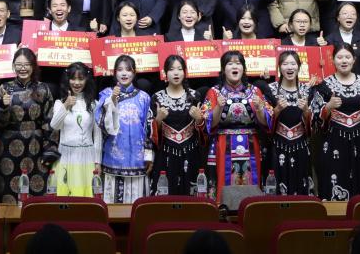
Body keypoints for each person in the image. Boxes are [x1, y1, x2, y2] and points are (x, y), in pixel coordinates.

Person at [310, 43, 360, 200]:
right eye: (339, 57)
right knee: (334, 180)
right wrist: (328, 107)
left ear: (354, 60)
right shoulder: (324, 85)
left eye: (348, 57)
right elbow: (314, 119)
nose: (344, 60)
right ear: (333, 60)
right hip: (334, 141)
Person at [0, 48, 56, 203]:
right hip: (8, 146)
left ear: (33, 66)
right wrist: (3, 106)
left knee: (36, 192)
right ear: (13, 66)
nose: (22, 68)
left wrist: (50, 150)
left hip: (36, 146)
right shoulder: (5, 88)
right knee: (8, 190)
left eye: (26, 64)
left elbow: (49, 122)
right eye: (18, 64)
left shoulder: (43, 89)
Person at [204, 51, 270, 198]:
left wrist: (260, 108)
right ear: (223, 69)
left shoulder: (255, 91)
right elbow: (209, 125)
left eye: (238, 63)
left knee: (252, 185)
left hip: (251, 144)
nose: (234, 66)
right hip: (223, 144)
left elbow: (266, 123)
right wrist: (218, 107)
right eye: (230, 63)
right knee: (224, 187)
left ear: (244, 69)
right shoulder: (214, 92)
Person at [95, 54, 153, 203]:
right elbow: (101, 124)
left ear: (134, 72)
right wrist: (112, 99)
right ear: (115, 73)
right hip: (113, 158)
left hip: (138, 160)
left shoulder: (144, 97)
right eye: (120, 69)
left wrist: (148, 156)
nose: (124, 73)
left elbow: (148, 128)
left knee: (136, 205)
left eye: (128, 69)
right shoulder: (106, 94)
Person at [150, 55, 206, 195]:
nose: (176, 73)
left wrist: (199, 120)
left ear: (185, 72)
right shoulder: (157, 97)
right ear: (165, 73)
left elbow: (204, 131)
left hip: (191, 153)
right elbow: (150, 133)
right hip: (166, 154)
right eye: (171, 69)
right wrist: (158, 120)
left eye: (180, 69)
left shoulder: (195, 96)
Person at [265, 49, 314, 195]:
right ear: (279, 67)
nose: (290, 67)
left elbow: (315, 124)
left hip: (301, 145)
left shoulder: (308, 90)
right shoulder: (271, 90)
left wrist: (306, 111)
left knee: (301, 186)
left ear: (299, 66)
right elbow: (264, 122)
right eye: (285, 64)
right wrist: (277, 110)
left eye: (293, 64)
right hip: (277, 145)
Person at [50, 62, 102, 196]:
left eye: (81, 79)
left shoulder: (94, 104)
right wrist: (66, 106)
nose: (77, 83)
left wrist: (98, 162)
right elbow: (54, 126)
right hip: (65, 157)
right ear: (67, 80)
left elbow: (97, 136)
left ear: (87, 80)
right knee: (65, 199)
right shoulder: (59, 103)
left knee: (86, 199)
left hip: (87, 158)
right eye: (73, 78)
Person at [325, 3, 360, 77]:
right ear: (338, 17)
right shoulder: (329, 40)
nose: (349, 16)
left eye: (353, 14)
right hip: (335, 80)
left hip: (358, 80)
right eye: (345, 13)